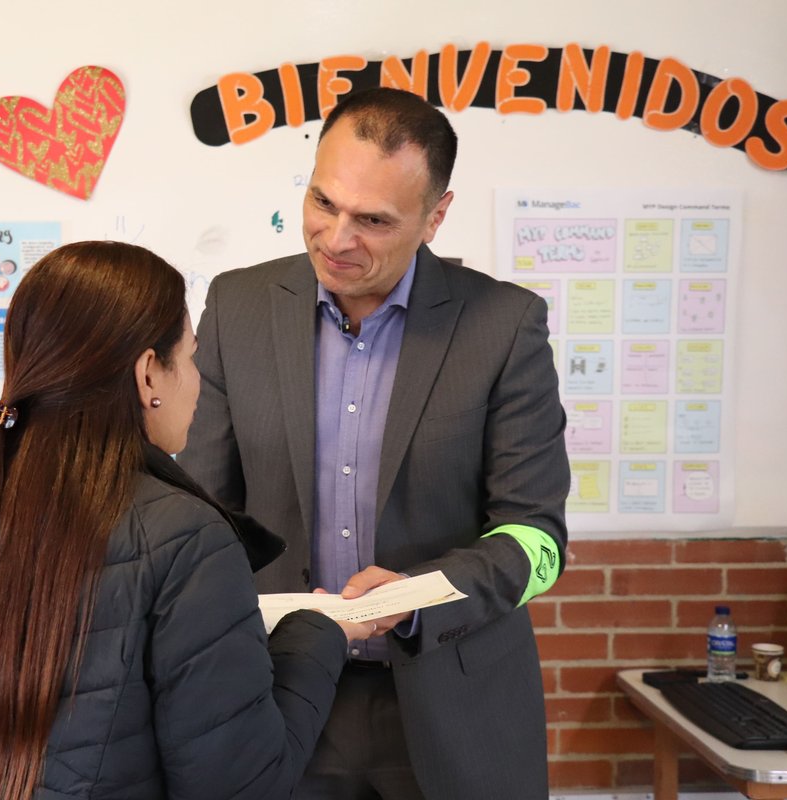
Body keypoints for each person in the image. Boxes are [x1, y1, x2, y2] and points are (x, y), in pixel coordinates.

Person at [0, 241, 374, 799]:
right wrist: (320, 634)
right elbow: (239, 783)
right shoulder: (185, 539)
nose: (197, 382)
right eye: (191, 357)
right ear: (149, 374)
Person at [177, 87, 571, 799]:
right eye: (323, 203)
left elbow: (537, 540)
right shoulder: (237, 307)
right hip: (277, 697)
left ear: (434, 218)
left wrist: (418, 597)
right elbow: (204, 515)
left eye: (373, 220)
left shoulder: (504, 326)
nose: (336, 239)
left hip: (455, 705)